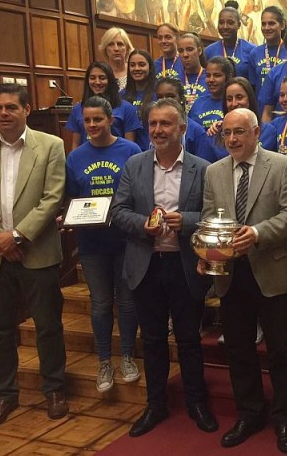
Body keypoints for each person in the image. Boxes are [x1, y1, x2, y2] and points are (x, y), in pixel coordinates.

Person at [0, 83, 69, 427]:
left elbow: (52, 197)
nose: (3, 114)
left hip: (37, 251)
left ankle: (54, 389)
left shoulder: (51, 146)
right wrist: (0, 241)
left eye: (10, 107)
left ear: (27, 109)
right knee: (0, 331)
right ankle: (4, 395)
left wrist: (18, 237)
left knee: (48, 326)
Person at [110, 97, 218, 438]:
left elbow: (215, 217)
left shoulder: (204, 169)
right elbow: (118, 210)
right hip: (146, 265)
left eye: (165, 124)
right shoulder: (135, 165)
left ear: (182, 128)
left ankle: (196, 403)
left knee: (188, 339)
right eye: (153, 124)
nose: (157, 130)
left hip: (185, 265)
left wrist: (185, 221)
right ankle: (155, 405)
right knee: (153, 339)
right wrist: (144, 224)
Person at [199, 108, 287, 453]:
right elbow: (207, 221)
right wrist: (207, 254)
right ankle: (249, 413)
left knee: (279, 351)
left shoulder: (281, 164)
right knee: (239, 349)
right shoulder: (214, 172)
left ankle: (285, 417)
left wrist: (257, 233)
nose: (232, 139)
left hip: (271, 270)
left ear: (257, 133)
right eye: (227, 133)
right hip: (230, 275)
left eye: (240, 132)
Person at [65, 96, 142, 393]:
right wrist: (70, 216)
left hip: (125, 240)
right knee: (99, 304)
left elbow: (138, 193)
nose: (93, 125)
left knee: (126, 302)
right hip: (92, 242)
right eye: (87, 120)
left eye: (98, 119)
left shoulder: (131, 150)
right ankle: (104, 362)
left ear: (111, 120)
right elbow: (72, 197)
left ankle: (126, 357)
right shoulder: (75, 157)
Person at [65, 62, 142, 151]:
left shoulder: (126, 108)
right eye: (92, 78)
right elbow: (75, 144)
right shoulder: (78, 108)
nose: (97, 82)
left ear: (110, 80)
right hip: (87, 160)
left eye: (102, 78)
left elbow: (130, 144)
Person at [154, 76, 216, 164]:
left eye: (170, 96)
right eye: (160, 97)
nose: (165, 101)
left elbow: (204, 168)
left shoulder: (196, 132)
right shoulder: (152, 127)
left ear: (182, 99)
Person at [204, 4, 255, 82]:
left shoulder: (251, 50)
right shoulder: (209, 51)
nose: (225, 27)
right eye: (221, 23)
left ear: (238, 25)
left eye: (230, 23)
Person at [248, 6, 287, 96]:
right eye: (263, 24)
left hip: (284, 106)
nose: (266, 28)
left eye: (271, 23)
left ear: (282, 25)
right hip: (261, 108)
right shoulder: (255, 53)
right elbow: (252, 87)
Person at [122, 49, 157, 150]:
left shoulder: (158, 94)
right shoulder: (121, 96)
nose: (136, 68)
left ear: (150, 67)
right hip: (129, 152)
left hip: (153, 151)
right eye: (132, 65)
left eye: (141, 64)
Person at [188, 56, 235, 132]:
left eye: (217, 75)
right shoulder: (198, 103)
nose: (211, 80)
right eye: (208, 75)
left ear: (228, 77)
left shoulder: (233, 103)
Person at [176, 32, 209, 113]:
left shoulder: (210, 77)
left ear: (199, 50)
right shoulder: (175, 81)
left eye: (190, 49)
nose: (185, 55)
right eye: (181, 51)